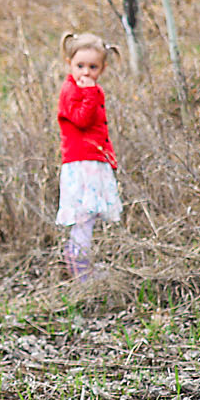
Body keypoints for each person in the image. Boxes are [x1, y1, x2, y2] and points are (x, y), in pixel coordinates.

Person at [56, 32, 121, 282]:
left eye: (93, 67)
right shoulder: (72, 90)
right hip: (81, 164)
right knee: (84, 213)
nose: (86, 72)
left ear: (102, 68)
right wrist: (90, 94)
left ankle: (80, 264)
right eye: (79, 66)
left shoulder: (89, 89)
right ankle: (79, 269)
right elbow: (81, 120)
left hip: (93, 161)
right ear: (69, 63)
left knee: (90, 216)